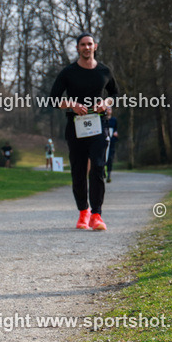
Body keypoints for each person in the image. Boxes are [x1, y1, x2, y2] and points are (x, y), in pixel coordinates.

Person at [48, 32, 119, 231]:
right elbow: (52, 99)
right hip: (76, 126)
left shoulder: (105, 71)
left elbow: (115, 93)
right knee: (78, 171)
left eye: (89, 44)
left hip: (99, 124)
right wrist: (71, 105)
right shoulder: (68, 73)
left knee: (97, 166)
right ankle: (83, 212)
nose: (86, 48)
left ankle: (97, 215)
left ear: (95, 46)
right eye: (82, 45)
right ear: (78, 48)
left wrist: (106, 103)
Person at [104, 109, 118, 182]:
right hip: (104, 140)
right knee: (103, 156)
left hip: (112, 141)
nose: (109, 110)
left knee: (110, 158)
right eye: (107, 108)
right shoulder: (102, 119)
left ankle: (109, 174)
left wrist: (116, 132)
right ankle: (103, 171)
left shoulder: (114, 120)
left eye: (110, 109)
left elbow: (116, 128)